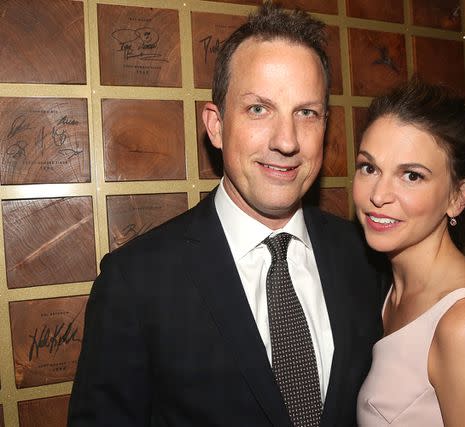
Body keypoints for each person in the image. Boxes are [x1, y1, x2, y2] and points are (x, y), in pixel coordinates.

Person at [68, 3, 384, 426]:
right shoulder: (136, 284)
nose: (287, 141)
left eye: (306, 113)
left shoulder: (366, 258)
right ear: (215, 125)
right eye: (259, 109)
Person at [354, 78, 465, 426]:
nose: (379, 195)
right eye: (369, 168)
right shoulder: (391, 291)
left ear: (457, 197)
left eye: (411, 176)